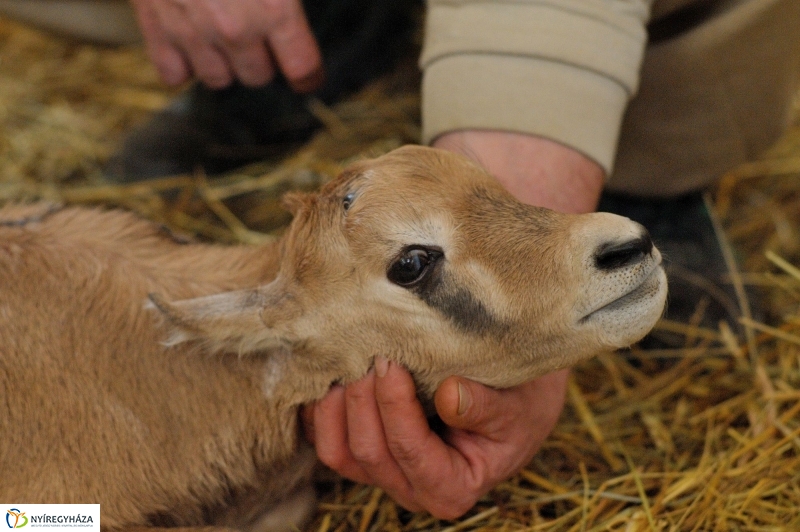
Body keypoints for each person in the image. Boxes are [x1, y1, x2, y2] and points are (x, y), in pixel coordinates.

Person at [6, 0, 796, 520]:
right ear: (269, 326)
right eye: (412, 268)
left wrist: (526, 147)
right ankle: (329, 26)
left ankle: (637, 137)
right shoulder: (79, 484)